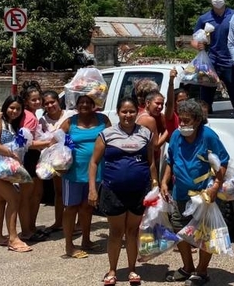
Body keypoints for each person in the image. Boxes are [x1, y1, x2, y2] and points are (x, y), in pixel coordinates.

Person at [88, 97, 157, 286]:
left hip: (139, 191)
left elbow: (151, 161)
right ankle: (112, 270)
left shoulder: (146, 133)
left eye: (132, 111)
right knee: (116, 232)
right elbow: (94, 162)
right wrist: (92, 189)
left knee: (133, 231)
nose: (128, 115)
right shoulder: (106, 134)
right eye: (124, 111)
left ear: (137, 112)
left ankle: (132, 270)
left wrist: (155, 184)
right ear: (118, 113)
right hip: (113, 190)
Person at [161, 99, 230, 286]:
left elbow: (223, 161)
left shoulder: (209, 136)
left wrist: (216, 185)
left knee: (205, 233)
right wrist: (164, 182)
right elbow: (171, 160)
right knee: (179, 229)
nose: (182, 124)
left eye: (187, 120)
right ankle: (187, 267)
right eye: (181, 120)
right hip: (180, 193)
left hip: (204, 196)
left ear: (198, 120)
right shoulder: (176, 135)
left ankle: (202, 271)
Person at [60, 95, 111, 258]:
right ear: (76, 105)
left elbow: (112, 139)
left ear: (94, 105)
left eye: (88, 102)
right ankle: (69, 245)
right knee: (71, 208)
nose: (84, 105)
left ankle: (86, 240)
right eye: (81, 102)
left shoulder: (103, 119)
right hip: (73, 173)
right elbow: (54, 139)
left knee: (88, 206)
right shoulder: (70, 122)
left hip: (96, 172)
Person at [0, 95, 32, 253]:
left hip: (6, 168)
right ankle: (13, 238)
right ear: (5, 106)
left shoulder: (13, 125)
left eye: (18, 109)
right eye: (12, 107)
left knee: (1, 201)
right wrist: (12, 154)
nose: (14, 111)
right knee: (13, 198)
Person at [191, 0, 234, 115]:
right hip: (211, 64)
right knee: (205, 101)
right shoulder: (204, 18)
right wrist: (198, 45)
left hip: (231, 64)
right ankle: (205, 128)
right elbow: (193, 39)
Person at [38, 90, 76, 235]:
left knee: (75, 191)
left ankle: (77, 223)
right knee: (59, 191)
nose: (50, 105)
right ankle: (59, 221)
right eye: (46, 103)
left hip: (73, 158)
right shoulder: (43, 120)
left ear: (58, 101)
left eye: (52, 102)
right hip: (55, 162)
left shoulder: (70, 116)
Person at [18, 81, 51, 242]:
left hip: (32, 158)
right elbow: (25, 143)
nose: (38, 102)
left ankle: (31, 226)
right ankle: (27, 229)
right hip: (29, 158)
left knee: (36, 194)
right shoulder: (29, 117)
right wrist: (48, 143)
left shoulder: (30, 115)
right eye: (34, 100)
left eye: (39, 99)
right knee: (29, 195)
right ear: (26, 101)